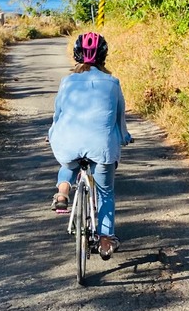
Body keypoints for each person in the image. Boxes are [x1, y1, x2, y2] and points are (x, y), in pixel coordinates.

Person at [47, 32, 132, 260]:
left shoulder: (67, 82)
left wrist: (52, 134)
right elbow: (119, 117)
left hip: (68, 140)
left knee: (70, 161)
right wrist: (124, 136)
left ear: (76, 55)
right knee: (105, 192)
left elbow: (59, 114)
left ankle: (63, 191)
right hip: (101, 146)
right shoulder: (113, 83)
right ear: (104, 56)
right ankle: (105, 239)